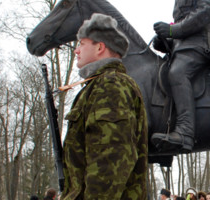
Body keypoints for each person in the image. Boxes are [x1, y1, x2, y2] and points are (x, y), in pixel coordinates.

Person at [60, 13, 148, 199]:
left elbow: (110, 163)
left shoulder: (110, 86)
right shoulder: (100, 85)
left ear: (100, 47)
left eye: (82, 44)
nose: (76, 51)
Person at [150, 0, 210, 153]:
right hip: (182, 48)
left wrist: (173, 30)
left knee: (177, 73)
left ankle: (185, 131)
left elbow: (207, 11)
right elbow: (183, 25)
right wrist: (167, 40)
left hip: (199, 45)